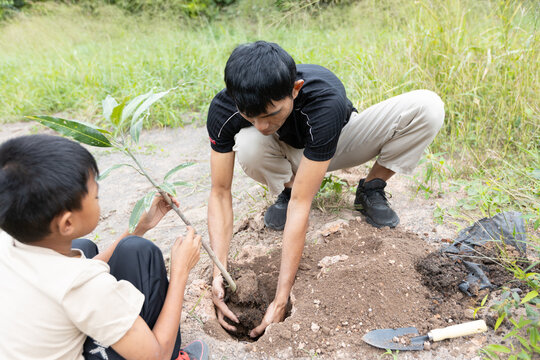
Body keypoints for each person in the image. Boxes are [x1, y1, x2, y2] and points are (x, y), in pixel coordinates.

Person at [206, 41, 445, 337]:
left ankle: (371, 187)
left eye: (271, 114)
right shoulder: (225, 108)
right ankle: (288, 186)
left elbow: (302, 205)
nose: (262, 124)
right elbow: (219, 192)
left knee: (429, 106)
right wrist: (218, 271)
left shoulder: (324, 99)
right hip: (285, 152)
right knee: (250, 143)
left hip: (339, 140)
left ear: (295, 89)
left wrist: (281, 300)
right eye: (250, 117)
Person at [0, 134, 209, 360]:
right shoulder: (84, 287)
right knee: (142, 253)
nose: (98, 192)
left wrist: (137, 228)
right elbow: (156, 355)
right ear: (67, 222)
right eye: (95, 194)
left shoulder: (7, 243)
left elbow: (65, 283)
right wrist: (181, 271)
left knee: (83, 248)